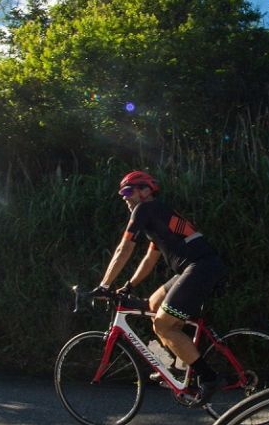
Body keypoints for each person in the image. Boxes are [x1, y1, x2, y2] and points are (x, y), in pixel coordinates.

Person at [94, 171, 228, 403]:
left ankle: (208, 377)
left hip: (200, 268)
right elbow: (149, 259)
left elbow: (124, 249)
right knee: (154, 305)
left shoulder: (144, 210)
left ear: (145, 191)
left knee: (163, 324)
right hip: (197, 268)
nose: (124, 197)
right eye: (121, 193)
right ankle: (175, 365)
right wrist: (128, 285)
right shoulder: (158, 215)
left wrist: (104, 285)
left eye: (128, 191)